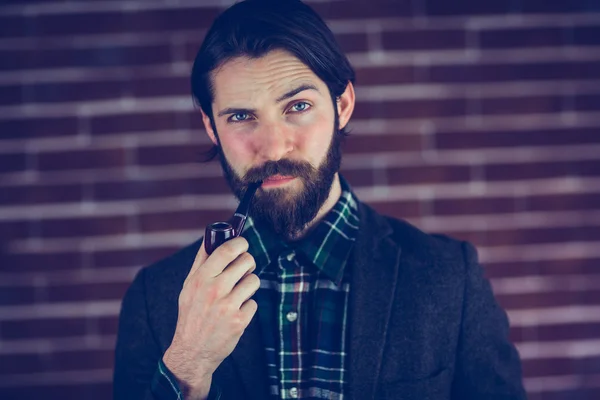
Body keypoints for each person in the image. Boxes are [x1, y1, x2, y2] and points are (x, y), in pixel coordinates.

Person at [113, 0, 527, 399]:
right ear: (210, 126)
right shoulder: (156, 298)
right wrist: (189, 364)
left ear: (342, 105)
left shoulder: (450, 279)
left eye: (297, 106)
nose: (273, 148)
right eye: (241, 116)